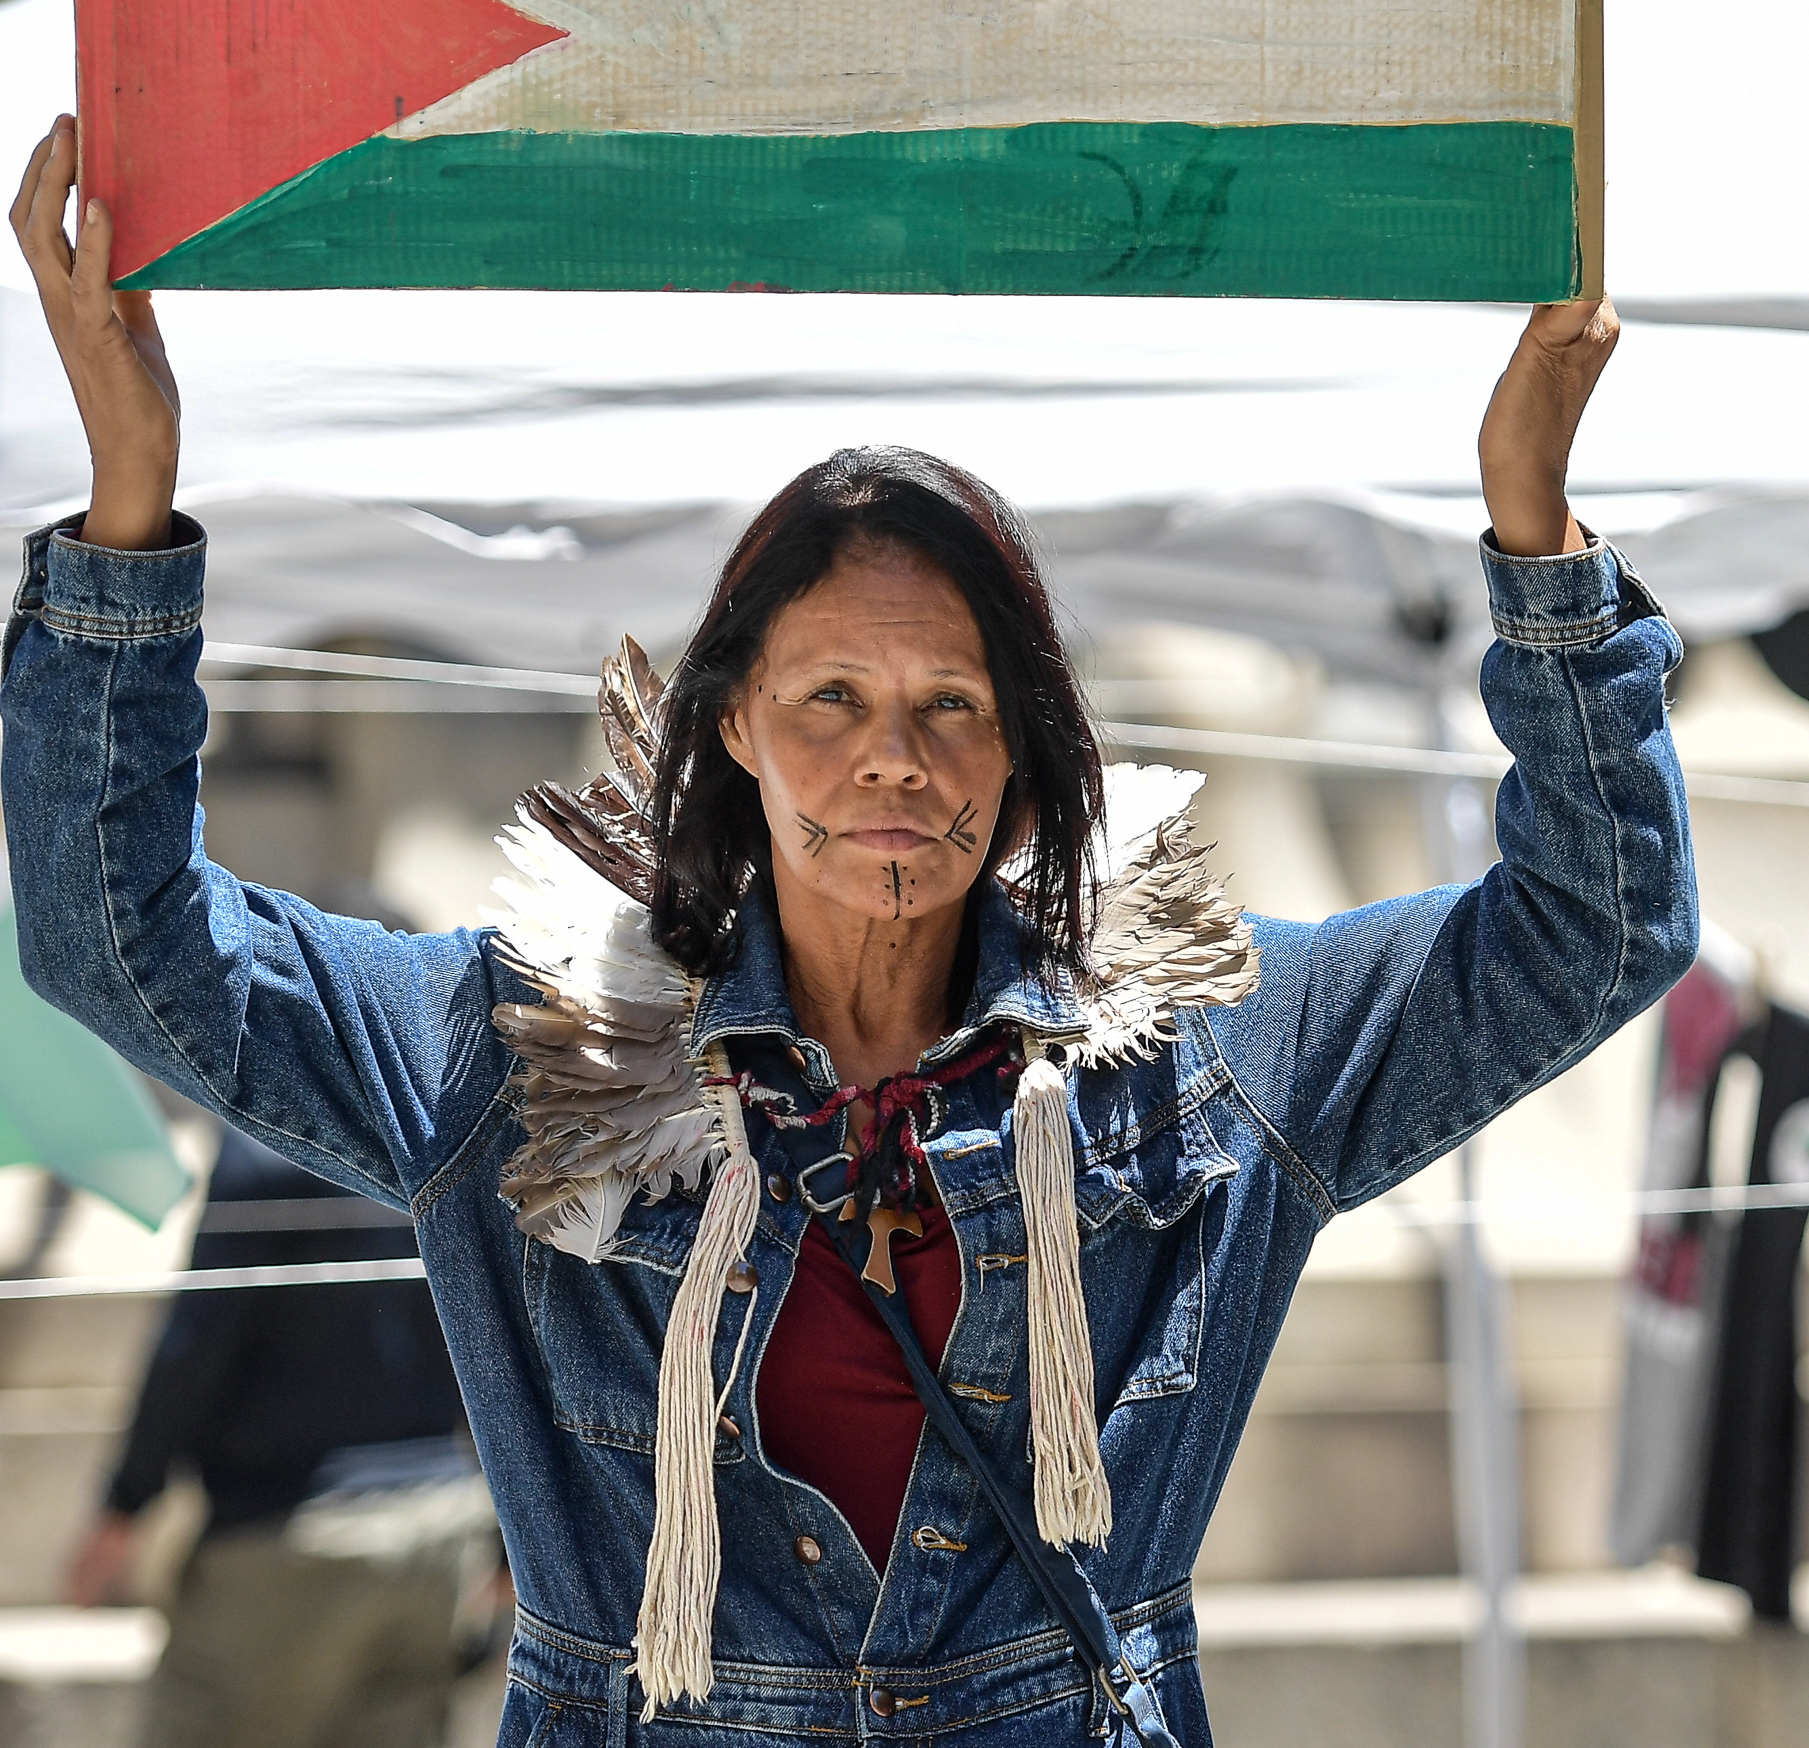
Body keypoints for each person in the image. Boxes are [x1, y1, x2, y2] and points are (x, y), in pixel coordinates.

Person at [7, 114, 1697, 1743]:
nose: (894, 753)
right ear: (732, 732)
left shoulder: (1215, 1051)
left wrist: (1534, 521)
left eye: (953, 703)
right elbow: (120, 937)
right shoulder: (522, 1049)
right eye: (833, 696)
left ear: (1029, 768)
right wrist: (131, 507)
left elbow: (1597, 922)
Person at [66, 1129, 482, 1748]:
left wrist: (125, 1505)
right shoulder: (446, 1133)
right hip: (439, 1540)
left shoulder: (267, 1133)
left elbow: (196, 1346)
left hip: (287, 1541)